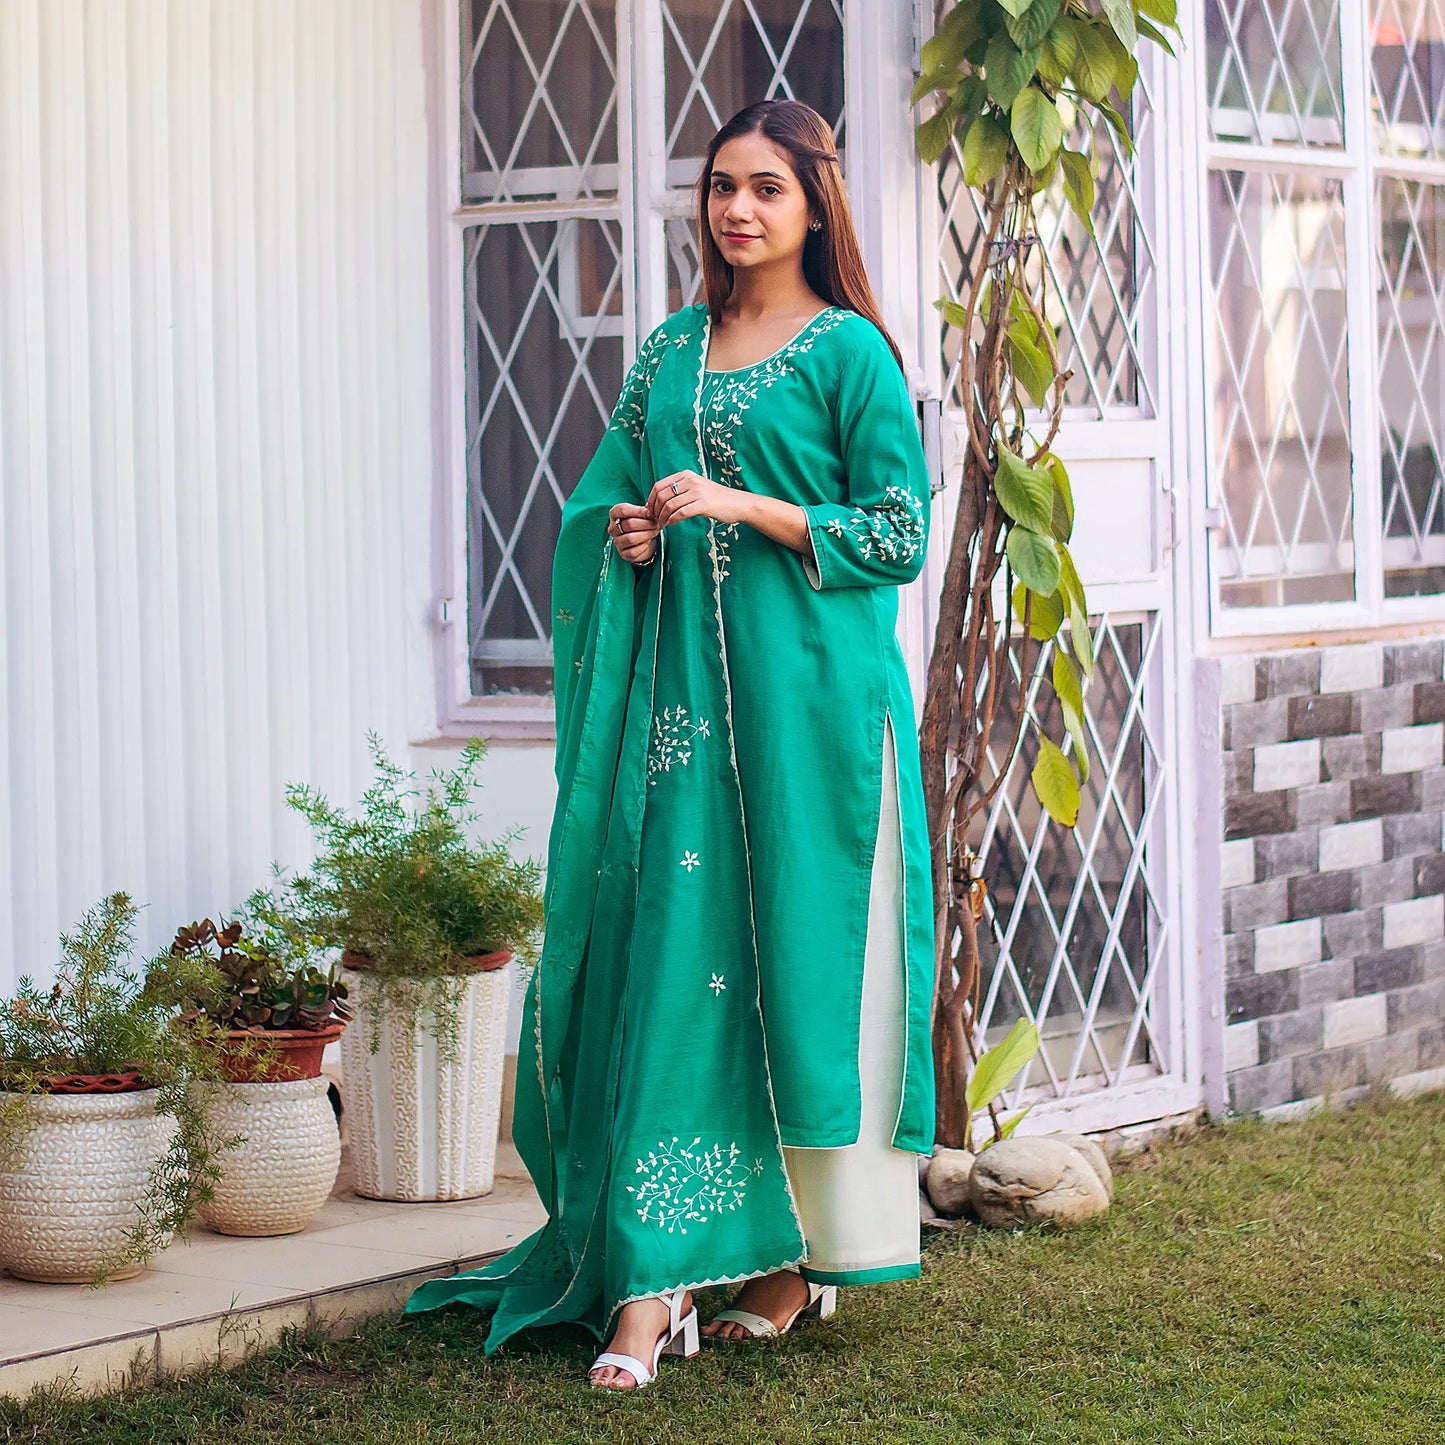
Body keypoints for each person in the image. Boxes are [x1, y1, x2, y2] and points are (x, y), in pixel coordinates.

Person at [403, 98, 937, 1391]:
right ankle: (647, 1286)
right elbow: (602, 500)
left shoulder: (848, 352)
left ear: (814, 202)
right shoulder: (671, 351)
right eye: (719, 187)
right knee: (674, 971)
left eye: (764, 187)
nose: (736, 210)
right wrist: (632, 535)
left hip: (813, 718)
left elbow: (896, 530)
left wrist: (747, 505)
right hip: (686, 722)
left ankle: (793, 1260)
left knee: (811, 976)